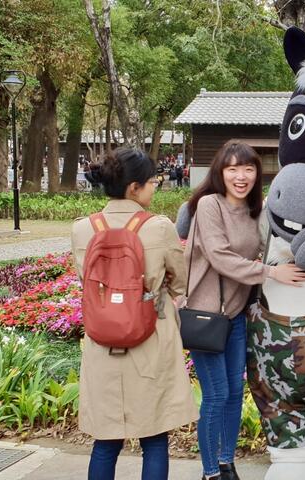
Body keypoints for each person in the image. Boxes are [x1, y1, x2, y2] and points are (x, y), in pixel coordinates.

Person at [183, 141, 305, 480]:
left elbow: (271, 246)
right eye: (233, 169)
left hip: (237, 315)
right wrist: (271, 273)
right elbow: (219, 256)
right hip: (206, 315)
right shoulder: (210, 204)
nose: (241, 176)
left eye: (248, 169)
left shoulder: (257, 211)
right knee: (216, 395)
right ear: (220, 172)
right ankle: (211, 471)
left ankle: (227, 463)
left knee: (236, 393)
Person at [71, 148, 198, 480]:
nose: (154, 187)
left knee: (105, 441)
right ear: (133, 188)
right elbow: (179, 281)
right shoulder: (158, 227)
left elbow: (86, 279)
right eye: (152, 182)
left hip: (102, 341)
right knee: (154, 438)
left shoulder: (83, 229)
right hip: (150, 337)